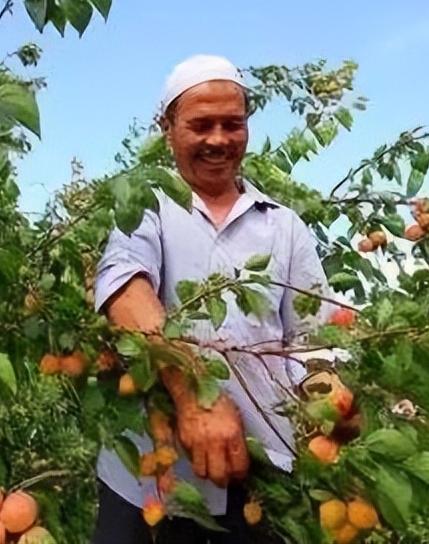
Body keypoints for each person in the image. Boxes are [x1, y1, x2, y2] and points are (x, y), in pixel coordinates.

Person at [90, 55, 337, 544]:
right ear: (168, 129)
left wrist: (331, 401)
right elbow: (123, 287)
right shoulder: (147, 204)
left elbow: (313, 341)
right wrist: (195, 393)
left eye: (233, 124)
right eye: (201, 125)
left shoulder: (283, 226)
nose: (219, 140)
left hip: (259, 479)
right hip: (148, 481)